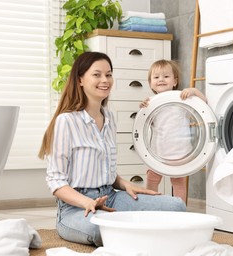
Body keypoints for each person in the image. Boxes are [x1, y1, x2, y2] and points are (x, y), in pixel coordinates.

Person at [38, 52, 186, 246]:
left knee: (176, 207)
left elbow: (104, 169)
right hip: (76, 208)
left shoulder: (109, 117)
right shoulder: (66, 121)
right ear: (80, 80)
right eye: (97, 75)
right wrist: (87, 203)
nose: (105, 80)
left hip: (111, 196)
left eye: (108, 74)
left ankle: (131, 229)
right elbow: (56, 182)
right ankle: (137, 231)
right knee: (100, 230)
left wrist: (125, 184)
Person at [139, 59, 207, 203]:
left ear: (175, 81)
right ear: (151, 83)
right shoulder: (151, 103)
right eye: (156, 77)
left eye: (166, 76)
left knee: (178, 182)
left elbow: (204, 105)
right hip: (157, 151)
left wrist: (193, 91)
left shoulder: (182, 98)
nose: (161, 80)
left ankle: (179, 210)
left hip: (180, 152)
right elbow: (143, 123)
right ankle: (150, 207)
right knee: (152, 180)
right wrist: (143, 107)